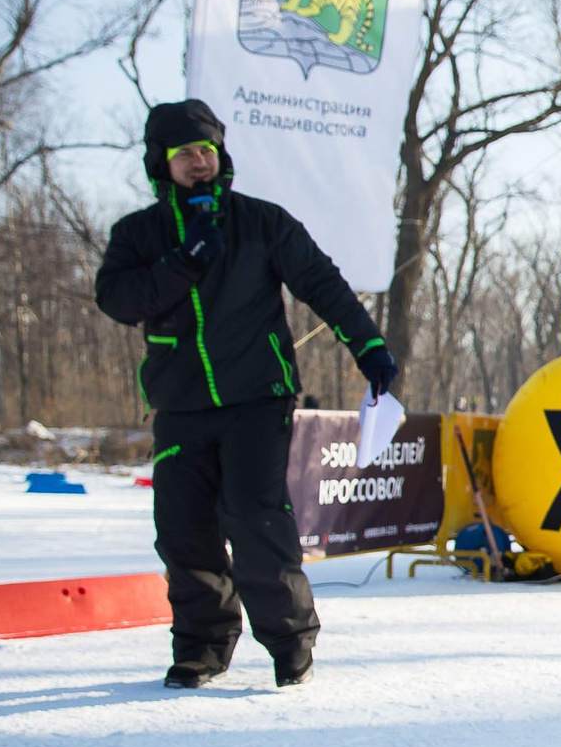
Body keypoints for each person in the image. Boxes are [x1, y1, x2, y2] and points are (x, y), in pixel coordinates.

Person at [94, 101, 396, 689]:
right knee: (183, 528)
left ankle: (289, 642)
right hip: (181, 405)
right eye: (185, 154)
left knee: (254, 516)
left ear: (221, 155)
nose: (198, 163)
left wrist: (370, 347)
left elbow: (322, 283)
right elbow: (118, 301)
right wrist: (187, 262)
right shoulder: (139, 234)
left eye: (206, 150)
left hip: (259, 396)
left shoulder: (261, 222)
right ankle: (203, 647)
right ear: (162, 163)